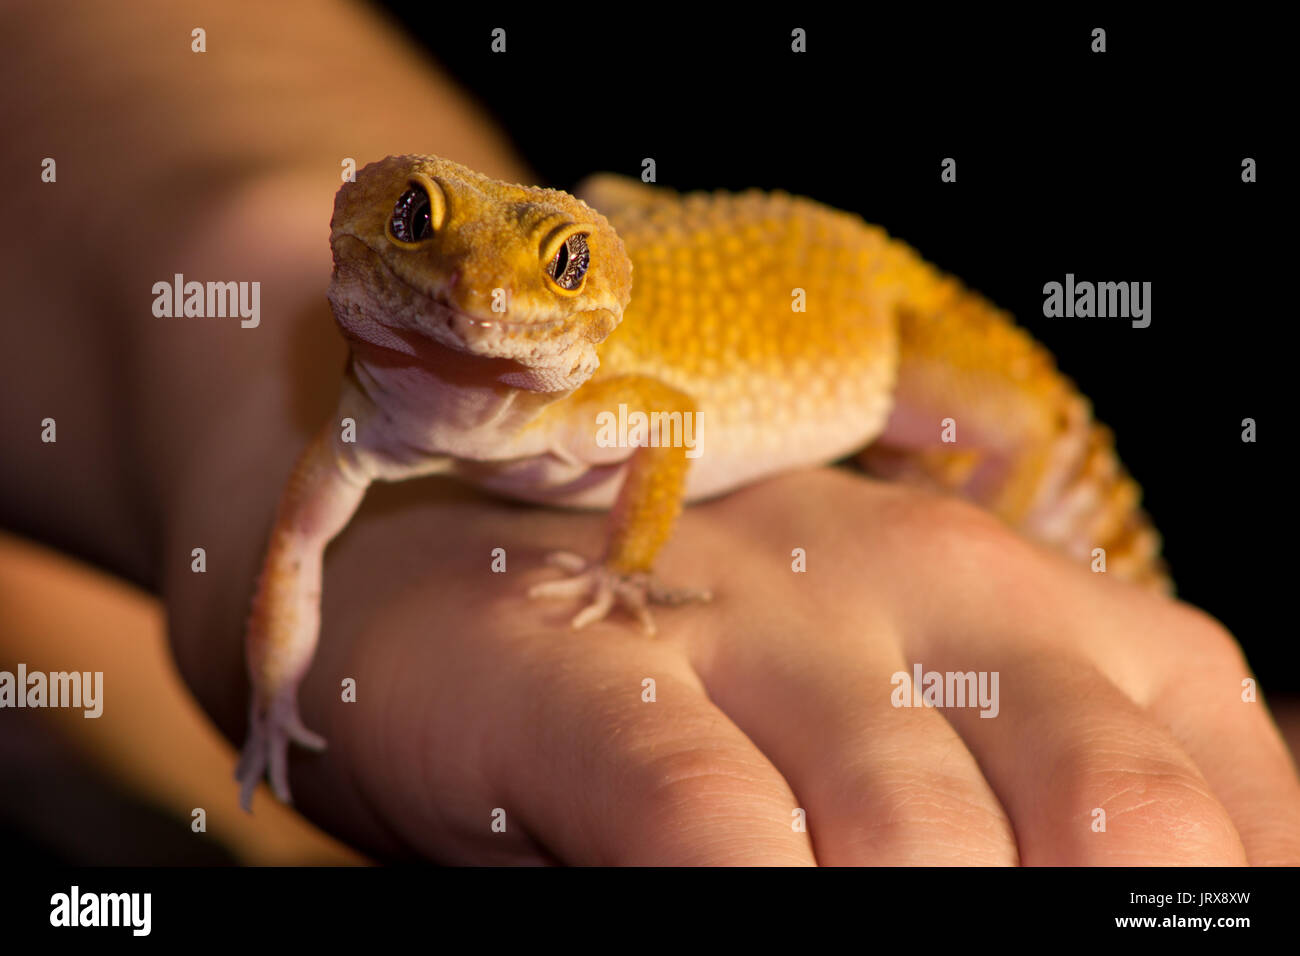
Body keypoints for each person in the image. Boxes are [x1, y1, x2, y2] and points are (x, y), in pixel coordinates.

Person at [2, 0, 1296, 864]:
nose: (477, 289)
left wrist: (647, 559)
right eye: (416, 228)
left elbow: (665, 420)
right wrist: (220, 418)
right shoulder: (387, 369)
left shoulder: (647, 376)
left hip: (895, 321)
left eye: (548, 268)